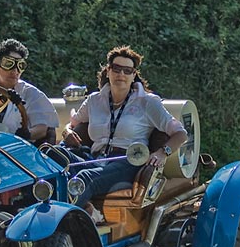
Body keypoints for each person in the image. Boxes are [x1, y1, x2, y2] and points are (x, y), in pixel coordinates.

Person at [61, 45, 189, 219]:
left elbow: (181, 134)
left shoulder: (148, 102)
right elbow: (73, 123)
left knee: (85, 178)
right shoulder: (94, 100)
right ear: (108, 71)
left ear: (133, 75)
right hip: (95, 158)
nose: (121, 74)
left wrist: (162, 153)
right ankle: (84, 208)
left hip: (127, 162)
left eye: (127, 71)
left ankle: (58, 225)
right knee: (50, 155)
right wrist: (67, 132)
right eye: (117, 69)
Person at [0, 38, 59, 145]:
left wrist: (26, 134)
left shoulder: (30, 93)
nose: (15, 71)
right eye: (8, 64)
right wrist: (2, 99)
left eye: (20, 66)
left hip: (13, 150)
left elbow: (43, 128)